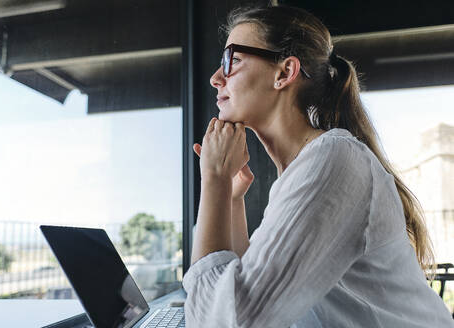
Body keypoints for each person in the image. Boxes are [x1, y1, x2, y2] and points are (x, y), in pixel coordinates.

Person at [181, 4, 454, 328]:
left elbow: (231, 321)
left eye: (232, 60)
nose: (215, 78)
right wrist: (232, 197)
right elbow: (247, 282)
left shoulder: (333, 161)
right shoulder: (304, 170)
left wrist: (213, 178)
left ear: (284, 72)